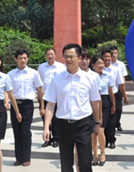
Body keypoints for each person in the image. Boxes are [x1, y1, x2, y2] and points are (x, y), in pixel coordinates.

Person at [42, 44, 101, 172]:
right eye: (66, 57)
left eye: (71, 57)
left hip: (83, 124)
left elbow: (95, 102)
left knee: (85, 162)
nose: (68, 60)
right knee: (66, 163)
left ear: (79, 58)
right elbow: (50, 104)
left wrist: (97, 123)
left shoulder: (90, 79)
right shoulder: (57, 80)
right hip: (63, 126)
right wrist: (46, 127)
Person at [8, 49, 44, 166]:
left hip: (27, 105)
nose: (22, 60)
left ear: (27, 59)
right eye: (20, 58)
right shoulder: (11, 74)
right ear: (16, 59)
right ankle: (19, 157)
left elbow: (39, 90)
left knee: (25, 131)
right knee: (16, 131)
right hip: (15, 105)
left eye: (24, 58)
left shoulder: (33, 73)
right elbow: (7, 91)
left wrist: (42, 106)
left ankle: (26, 158)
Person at [37, 48, 65, 148]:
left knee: (56, 119)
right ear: (45, 56)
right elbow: (39, 83)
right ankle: (47, 139)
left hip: (56, 96)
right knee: (45, 118)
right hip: (44, 96)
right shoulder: (41, 67)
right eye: (48, 54)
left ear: (55, 55)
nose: (50, 56)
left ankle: (56, 139)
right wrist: (38, 96)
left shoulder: (61, 67)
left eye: (52, 54)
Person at [91, 56, 115, 167]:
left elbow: (111, 91)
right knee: (93, 133)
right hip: (92, 103)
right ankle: (94, 155)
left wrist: (114, 104)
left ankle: (103, 153)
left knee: (100, 130)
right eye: (98, 63)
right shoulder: (90, 76)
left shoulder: (108, 76)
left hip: (105, 103)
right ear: (93, 65)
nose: (101, 65)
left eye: (102, 63)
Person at [102, 49, 124, 149]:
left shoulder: (115, 69)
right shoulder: (99, 69)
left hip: (113, 95)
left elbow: (120, 83)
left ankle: (111, 140)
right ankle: (104, 140)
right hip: (103, 96)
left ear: (111, 58)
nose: (106, 58)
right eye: (105, 56)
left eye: (108, 56)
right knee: (104, 120)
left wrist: (124, 95)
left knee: (112, 120)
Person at [110, 46, 129, 131]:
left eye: (115, 53)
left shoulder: (121, 64)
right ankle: (112, 125)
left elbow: (123, 78)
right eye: (112, 53)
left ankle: (117, 123)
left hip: (118, 89)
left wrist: (124, 93)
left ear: (117, 53)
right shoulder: (106, 64)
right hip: (110, 90)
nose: (113, 55)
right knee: (112, 109)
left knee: (119, 109)